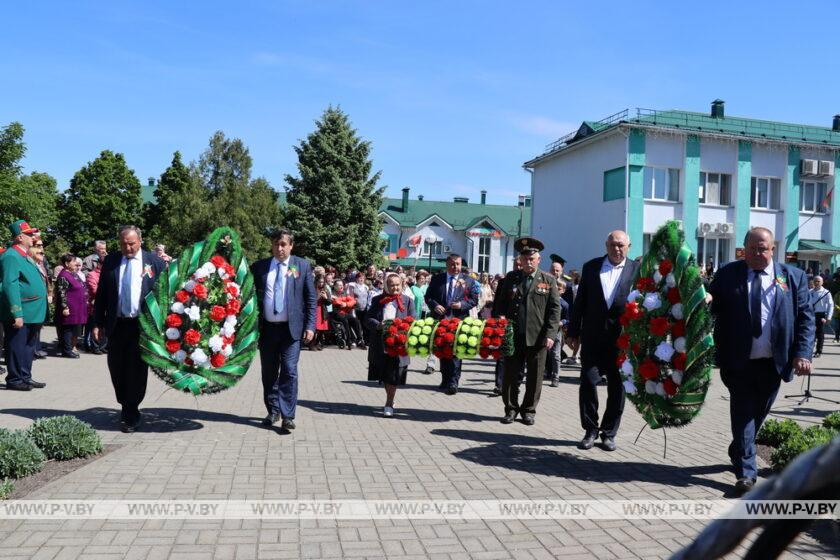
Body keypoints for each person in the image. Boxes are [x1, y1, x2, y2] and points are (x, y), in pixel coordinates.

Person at [708, 227, 814, 495]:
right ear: (744, 250)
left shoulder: (792, 277)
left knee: (758, 414)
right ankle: (746, 474)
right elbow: (713, 305)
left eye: (763, 248)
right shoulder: (728, 274)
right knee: (743, 413)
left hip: (774, 362)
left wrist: (803, 353)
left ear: (772, 249)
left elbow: (805, 318)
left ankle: (739, 449)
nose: (758, 254)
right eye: (753, 249)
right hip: (738, 360)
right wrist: (705, 299)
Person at [567, 230, 640, 452]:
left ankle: (609, 433)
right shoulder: (591, 267)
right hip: (593, 338)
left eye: (621, 245)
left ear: (629, 246)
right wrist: (573, 332)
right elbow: (580, 302)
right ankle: (590, 430)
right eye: (612, 245)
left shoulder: (638, 271)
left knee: (618, 389)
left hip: (623, 341)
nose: (616, 249)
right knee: (588, 382)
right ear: (606, 245)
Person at [93, 225, 166, 432]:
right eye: (124, 244)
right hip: (117, 325)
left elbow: (165, 296)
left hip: (141, 326)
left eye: (131, 243)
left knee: (135, 370)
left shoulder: (155, 262)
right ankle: (125, 403)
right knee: (116, 367)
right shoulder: (112, 260)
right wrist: (98, 322)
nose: (128, 248)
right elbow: (102, 295)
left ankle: (131, 412)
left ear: (140, 241)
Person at [251, 228, 316, 432]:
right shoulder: (260, 267)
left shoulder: (302, 266)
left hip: (292, 331)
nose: (279, 248)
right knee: (269, 373)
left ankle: (288, 415)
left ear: (291, 246)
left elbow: (311, 298)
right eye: (276, 244)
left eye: (283, 244)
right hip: (267, 330)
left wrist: (310, 326)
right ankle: (273, 410)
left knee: (289, 370)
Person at [492, 237, 561, 425]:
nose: (528, 262)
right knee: (510, 376)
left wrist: (550, 335)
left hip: (537, 337)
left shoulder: (548, 280)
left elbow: (555, 310)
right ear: (520, 260)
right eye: (525, 258)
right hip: (513, 336)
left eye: (532, 258)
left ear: (539, 260)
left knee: (535, 377)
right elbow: (500, 305)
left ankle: (529, 410)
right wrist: (499, 323)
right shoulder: (511, 278)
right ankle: (511, 409)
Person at [0, 220, 48, 391]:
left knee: (28, 347)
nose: (33, 237)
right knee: (16, 346)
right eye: (29, 234)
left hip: (33, 311)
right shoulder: (11, 256)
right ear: (20, 237)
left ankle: (25, 376)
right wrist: (16, 313)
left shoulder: (25, 256)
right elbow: (9, 285)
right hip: (22, 311)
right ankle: (14, 379)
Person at [424, 254, 479, 394]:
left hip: (458, 321)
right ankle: (445, 379)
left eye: (458, 264)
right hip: (440, 321)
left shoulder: (469, 281)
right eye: (453, 264)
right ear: (447, 264)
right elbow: (428, 297)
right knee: (442, 350)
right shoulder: (437, 279)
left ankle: (454, 382)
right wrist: (434, 305)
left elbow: (474, 300)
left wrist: (461, 304)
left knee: (455, 352)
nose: (456, 267)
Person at [365, 274, 415, 417]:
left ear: (402, 285)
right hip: (381, 344)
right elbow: (368, 319)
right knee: (385, 375)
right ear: (387, 285)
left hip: (399, 344)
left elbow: (414, 319)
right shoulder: (377, 300)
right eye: (392, 285)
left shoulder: (408, 301)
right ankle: (390, 399)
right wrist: (378, 325)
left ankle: (388, 403)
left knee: (394, 374)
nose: (395, 288)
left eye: (397, 285)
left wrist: (404, 328)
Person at [54, 253, 88, 358]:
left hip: (77, 307)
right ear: (67, 263)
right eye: (73, 261)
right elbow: (61, 292)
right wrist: (64, 307)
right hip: (70, 307)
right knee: (67, 329)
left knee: (73, 329)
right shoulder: (63, 275)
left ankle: (69, 349)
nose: (76, 263)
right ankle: (66, 351)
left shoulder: (73, 273)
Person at [28, 235, 51, 360]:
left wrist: (49, 293)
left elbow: (47, 279)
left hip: (42, 298)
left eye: (42, 246)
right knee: (32, 329)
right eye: (38, 246)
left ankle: (36, 348)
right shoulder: (32, 263)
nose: (42, 249)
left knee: (37, 328)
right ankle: (33, 350)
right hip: (33, 302)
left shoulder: (41, 263)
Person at [331, 279, 363, 349]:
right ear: (335, 286)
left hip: (345, 312)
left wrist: (346, 304)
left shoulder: (345, 293)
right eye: (339, 285)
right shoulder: (332, 293)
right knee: (345, 321)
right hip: (335, 313)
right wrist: (342, 301)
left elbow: (353, 301)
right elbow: (335, 302)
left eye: (342, 285)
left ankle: (359, 339)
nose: (341, 286)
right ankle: (349, 340)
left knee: (355, 320)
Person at [85, 255, 106, 354]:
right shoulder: (92, 274)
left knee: (104, 326)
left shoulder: (107, 273)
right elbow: (94, 290)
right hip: (95, 304)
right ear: (98, 264)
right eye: (103, 264)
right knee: (95, 326)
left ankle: (102, 346)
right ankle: (95, 346)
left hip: (106, 304)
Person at [810, 275, 832, 357]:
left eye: (818, 281)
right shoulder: (810, 292)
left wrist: (829, 317)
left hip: (821, 315)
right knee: (810, 334)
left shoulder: (826, 292)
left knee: (820, 335)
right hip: (811, 315)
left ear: (822, 282)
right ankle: (809, 351)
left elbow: (831, 305)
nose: (816, 283)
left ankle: (819, 351)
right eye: (815, 281)